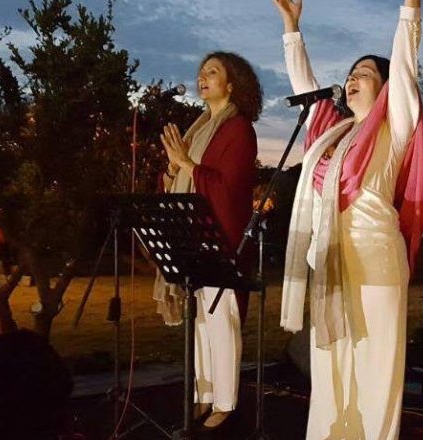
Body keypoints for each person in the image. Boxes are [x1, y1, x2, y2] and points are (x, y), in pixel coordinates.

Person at [272, 0, 423, 438]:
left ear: (385, 88)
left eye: (365, 73)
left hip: (376, 264)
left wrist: (409, 10)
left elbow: (405, 67)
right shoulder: (332, 134)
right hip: (330, 262)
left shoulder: (394, 127)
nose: (351, 79)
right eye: (350, 74)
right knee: (330, 371)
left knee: (374, 373)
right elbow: (307, 89)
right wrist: (291, 27)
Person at [155, 51, 261, 429]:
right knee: (198, 322)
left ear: (231, 84)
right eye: (201, 72)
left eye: (212, 72)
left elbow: (229, 190)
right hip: (192, 237)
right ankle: (203, 393)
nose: (202, 77)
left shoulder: (238, 130)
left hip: (222, 239)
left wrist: (186, 163)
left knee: (221, 322)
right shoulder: (198, 129)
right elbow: (179, 183)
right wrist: (174, 168)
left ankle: (225, 402)